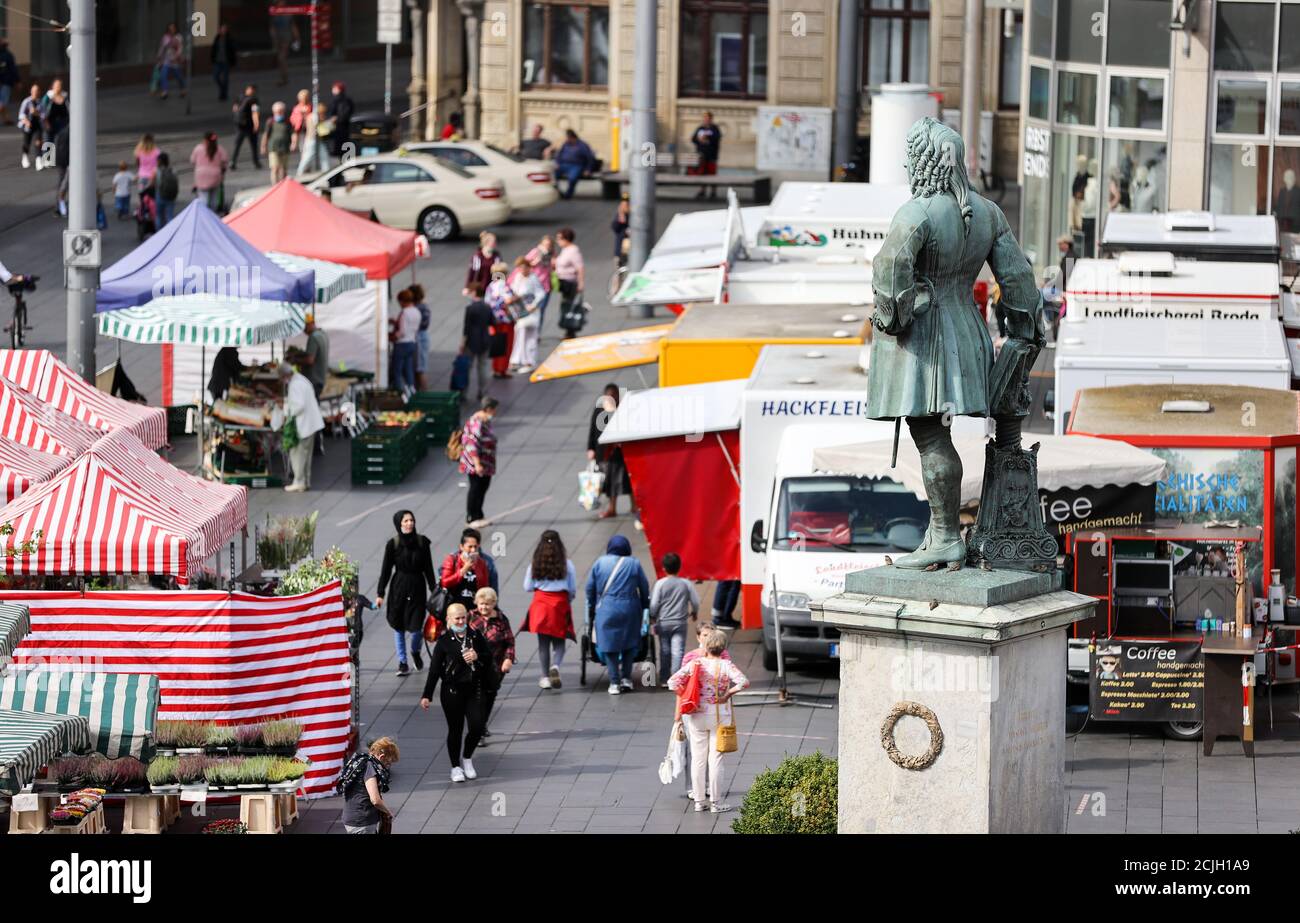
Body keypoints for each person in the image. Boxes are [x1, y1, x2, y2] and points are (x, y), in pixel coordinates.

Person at [667, 627, 749, 812]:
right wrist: (727, 694)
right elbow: (744, 681)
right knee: (716, 759)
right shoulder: (726, 665)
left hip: (697, 714)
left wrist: (685, 694)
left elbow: (672, 682)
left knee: (698, 759)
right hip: (720, 716)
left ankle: (698, 801)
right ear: (723, 647)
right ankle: (716, 802)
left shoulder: (696, 663)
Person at [420, 603, 497, 782]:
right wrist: (427, 695)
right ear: (449, 619)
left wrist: (477, 655)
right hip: (452, 691)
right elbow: (434, 670)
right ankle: (455, 766)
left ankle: (467, 758)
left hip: (474, 689)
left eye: (463, 617)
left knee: (477, 726)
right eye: (457, 618)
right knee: (455, 729)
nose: (461, 621)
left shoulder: (475, 635)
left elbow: (488, 655)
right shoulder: (444, 642)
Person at [376, 510, 440, 677]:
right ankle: (402, 662)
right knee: (398, 626)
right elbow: (386, 570)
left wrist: (434, 589)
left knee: (416, 628)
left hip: (417, 587)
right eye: (405, 521)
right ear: (399, 524)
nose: (409, 523)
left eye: (411, 520)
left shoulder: (422, 542)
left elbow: (428, 568)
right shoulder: (393, 544)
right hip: (399, 587)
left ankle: (415, 651)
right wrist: (380, 593)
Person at [584, 535, 650, 695]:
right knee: (629, 643)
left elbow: (589, 588)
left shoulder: (600, 563)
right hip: (630, 608)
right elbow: (644, 587)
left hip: (607, 608)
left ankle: (614, 682)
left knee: (610, 645)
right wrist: (644, 607)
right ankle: (626, 678)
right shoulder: (634, 563)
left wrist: (592, 606)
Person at [520, 530, 577, 690]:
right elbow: (572, 588)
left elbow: (527, 587)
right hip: (560, 604)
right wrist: (568, 600)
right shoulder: (567, 564)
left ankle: (545, 677)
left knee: (543, 643)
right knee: (560, 641)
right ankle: (556, 666)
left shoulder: (535, 564)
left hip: (540, 605)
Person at [469, 586, 515, 740]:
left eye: (487, 604)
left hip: (495, 666)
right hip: (474, 666)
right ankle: (479, 729)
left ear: (494, 603)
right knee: (478, 697)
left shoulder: (501, 620)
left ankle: (482, 723)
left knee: (489, 696)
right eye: (481, 603)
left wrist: (508, 659)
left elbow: (509, 642)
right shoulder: (470, 617)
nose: (484, 607)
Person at [650, 552, 699, 684]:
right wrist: (695, 612)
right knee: (678, 651)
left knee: (664, 650)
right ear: (679, 567)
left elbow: (654, 603)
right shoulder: (686, 583)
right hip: (680, 622)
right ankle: (676, 678)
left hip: (663, 622)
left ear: (664, 568)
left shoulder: (660, 584)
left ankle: (664, 678)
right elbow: (695, 601)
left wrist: (653, 615)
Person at [587, 383, 633, 519]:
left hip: (621, 453)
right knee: (610, 483)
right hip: (605, 453)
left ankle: (634, 506)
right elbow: (593, 430)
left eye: (614, 396)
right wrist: (590, 448)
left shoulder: (623, 410)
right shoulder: (599, 410)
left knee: (629, 480)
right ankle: (612, 507)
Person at [278, 361, 323, 493]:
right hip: (312, 423)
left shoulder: (295, 385)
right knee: (306, 455)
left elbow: (298, 406)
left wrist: (286, 410)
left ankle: (299, 481)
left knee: (297, 454)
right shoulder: (302, 380)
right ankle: (305, 481)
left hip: (304, 424)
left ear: (285, 375)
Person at [337, 737, 398, 833]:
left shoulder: (361, 761)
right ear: (381, 757)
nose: (387, 767)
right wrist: (388, 812)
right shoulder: (369, 767)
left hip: (352, 816)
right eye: (387, 763)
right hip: (362, 821)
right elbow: (375, 800)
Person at [458, 397, 499, 525]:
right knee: (476, 487)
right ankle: (471, 516)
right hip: (476, 462)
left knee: (483, 486)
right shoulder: (478, 422)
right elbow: (471, 443)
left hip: (486, 462)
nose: (496, 412)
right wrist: (477, 463)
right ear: (489, 409)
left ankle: (479, 514)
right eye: (494, 409)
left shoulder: (486, 421)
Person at [506, 256, 545, 373]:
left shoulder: (533, 278)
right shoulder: (518, 277)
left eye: (524, 268)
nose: (522, 271)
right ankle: (516, 360)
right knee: (519, 335)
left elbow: (540, 293)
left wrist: (533, 305)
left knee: (530, 337)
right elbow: (513, 289)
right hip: (520, 311)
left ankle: (529, 361)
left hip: (531, 311)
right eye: (520, 268)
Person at [440, 527, 492, 614]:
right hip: (455, 607)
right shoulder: (452, 560)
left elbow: (485, 587)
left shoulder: (481, 563)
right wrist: (463, 570)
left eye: (475, 547)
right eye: (470, 547)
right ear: (461, 546)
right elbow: (445, 582)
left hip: (473, 609)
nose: (473, 550)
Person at [460, 283, 494, 403]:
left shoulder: (470, 308)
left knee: (467, 367)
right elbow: (492, 322)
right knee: (483, 366)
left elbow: (466, 327)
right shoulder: (487, 307)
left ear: (474, 292)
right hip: (485, 340)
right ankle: (482, 392)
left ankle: (463, 392)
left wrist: (462, 343)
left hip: (471, 341)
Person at [485, 261, 516, 380]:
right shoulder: (504, 285)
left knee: (497, 344)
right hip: (505, 320)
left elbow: (488, 302)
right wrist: (516, 297)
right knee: (506, 345)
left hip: (494, 319)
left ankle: (496, 368)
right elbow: (508, 300)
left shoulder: (490, 286)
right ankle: (502, 369)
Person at [554, 227, 585, 339]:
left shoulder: (573, 251)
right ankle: (568, 330)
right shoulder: (565, 249)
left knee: (570, 306)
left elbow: (580, 267)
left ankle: (570, 331)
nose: (557, 241)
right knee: (566, 305)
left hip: (571, 283)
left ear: (566, 239)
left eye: (559, 238)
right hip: (564, 282)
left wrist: (581, 283)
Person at [390, 288, 420, 392]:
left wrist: (392, 337)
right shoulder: (416, 311)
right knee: (408, 370)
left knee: (397, 371)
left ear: (402, 301)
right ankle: (411, 390)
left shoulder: (404, 313)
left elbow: (402, 332)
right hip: (412, 342)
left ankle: (399, 392)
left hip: (402, 344)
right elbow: (412, 327)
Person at [190, 131, 228, 211]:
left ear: (204, 140)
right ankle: (212, 214)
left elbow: (192, 161)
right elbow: (224, 161)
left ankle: (204, 215)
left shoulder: (198, 148)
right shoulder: (219, 149)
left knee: (203, 197)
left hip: (201, 177)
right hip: (215, 176)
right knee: (214, 199)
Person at [553, 129, 596, 200]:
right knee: (552, 176)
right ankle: (558, 192)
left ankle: (568, 195)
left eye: (567, 137)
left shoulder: (582, 145)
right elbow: (559, 155)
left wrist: (588, 169)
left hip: (576, 165)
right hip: (564, 164)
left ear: (572, 137)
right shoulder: (566, 144)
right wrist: (557, 163)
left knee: (572, 178)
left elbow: (590, 158)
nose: (566, 139)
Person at [525, 234, 555, 329]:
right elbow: (524, 263)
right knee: (533, 308)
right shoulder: (536, 252)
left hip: (546, 285)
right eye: (545, 244)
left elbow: (553, 267)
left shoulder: (551, 254)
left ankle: (537, 332)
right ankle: (531, 329)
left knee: (541, 309)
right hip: (535, 285)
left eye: (549, 245)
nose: (547, 247)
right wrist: (534, 262)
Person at [690, 111, 722, 199]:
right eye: (704, 118)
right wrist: (699, 140)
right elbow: (693, 139)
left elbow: (717, 138)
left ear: (711, 119)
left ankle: (713, 192)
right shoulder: (700, 128)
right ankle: (702, 190)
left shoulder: (714, 128)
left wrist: (708, 138)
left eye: (708, 118)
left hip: (711, 155)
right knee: (702, 173)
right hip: (702, 155)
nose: (706, 120)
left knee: (712, 173)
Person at [261, 100, 293, 184]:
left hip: (285, 147)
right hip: (273, 147)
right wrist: (263, 146)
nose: (279, 113)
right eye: (278, 111)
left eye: (281, 111)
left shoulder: (287, 121)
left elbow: (292, 133)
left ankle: (283, 185)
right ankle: (275, 185)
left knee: (284, 169)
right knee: (275, 168)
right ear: (274, 112)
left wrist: (293, 143)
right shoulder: (270, 121)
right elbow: (266, 135)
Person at [231, 84, 261, 171]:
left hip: (240, 125)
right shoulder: (254, 100)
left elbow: (234, 109)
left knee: (237, 144)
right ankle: (256, 162)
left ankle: (233, 161)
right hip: (249, 125)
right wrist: (256, 124)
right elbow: (255, 113)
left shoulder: (240, 97)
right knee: (254, 145)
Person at [299, 313, 330, 397]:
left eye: (304, 327)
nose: (303, 330)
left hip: (313, 380)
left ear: (309, 324)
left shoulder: (313, 337)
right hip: (321, 379)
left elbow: (310, 360)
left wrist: (297, 360)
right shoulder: (323, 334)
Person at [463, 231, 501, 297]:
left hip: (492, 287)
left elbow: (500, 271)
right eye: (493, 242)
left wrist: (501, 284)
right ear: (487, 243)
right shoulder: (477, 256)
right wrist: (467, 286)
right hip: (480, 287)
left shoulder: (496, 256)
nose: (495, 244)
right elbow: (472, 271)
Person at [298, 101, 331, 177]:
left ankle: (327, 173)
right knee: (308, 157)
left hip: (318, 139)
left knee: (324, 156)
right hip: (312, 140)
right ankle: (299, 173)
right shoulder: (313, 116)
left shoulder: (316, 116)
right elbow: (315, 127)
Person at [155, 24, 186, 100]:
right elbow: (162, 47)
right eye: (170, 29)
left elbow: (180, 48)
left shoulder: (179, 37)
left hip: (175, 61)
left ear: (175, 29)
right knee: (163, 75)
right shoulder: (165, 37)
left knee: (178, 76)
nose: (172, 30)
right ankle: (165, 91)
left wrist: (177, 57)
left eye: (173, 28)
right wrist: (159, 56)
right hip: (167, 60)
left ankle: (183, 89)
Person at [410, 284, 432, 390]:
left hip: (420, 338)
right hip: (421, 337)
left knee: (420, 368)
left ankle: (424, 392)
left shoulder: (420, 308)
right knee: (418, 368)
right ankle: (420, 391)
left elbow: (423, 324)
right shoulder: (423, 306)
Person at [269, 8, 298, 86]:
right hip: (279, 38)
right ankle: (283, 77)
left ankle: (284, 78)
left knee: (281, 58)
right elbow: (272, 28)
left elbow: (293, 26)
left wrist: (296, 37)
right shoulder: (274, 13)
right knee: (280, 59)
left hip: (286, 37)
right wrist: (274, 39)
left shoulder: (287, 13)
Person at [326, 81, 354, 160]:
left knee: (341, 147)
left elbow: (342, 113)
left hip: (340, 127)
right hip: (343, 127)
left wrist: (336, 118)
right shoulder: (346, 100)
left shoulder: (340, 100)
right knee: (343, 147)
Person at [210, 23, 237, 102]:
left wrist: (233, 61)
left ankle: (224, 94)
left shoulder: (229, 39)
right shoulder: (217, 38)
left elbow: (232, 51)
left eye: (224, 29)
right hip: (218, 61)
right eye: (222, 29)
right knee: (216, 77)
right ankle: (222, 90)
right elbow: (214, 49)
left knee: (225, 79)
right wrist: (212, 59)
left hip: (226, 61)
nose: (223, 30)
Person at [18, 84, 42, 171]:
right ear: (31, 92)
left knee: (38, 142)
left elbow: (44, 114)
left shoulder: (40, 102)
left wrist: (37, 113)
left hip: (37, 125)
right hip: (27, 125)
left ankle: (38, 159)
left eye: (37, 91)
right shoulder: (26, 102)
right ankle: (25, 157)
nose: (35, 93)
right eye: (34, 91)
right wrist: (26, 121)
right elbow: (21, 114)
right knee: (26, 143)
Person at [154, 152, 179, 228]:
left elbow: (156, 184)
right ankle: (170, 233)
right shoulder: (173, 170)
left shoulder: (157, 171)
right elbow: (176, 182)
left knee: (159, 216)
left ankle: (159, 234)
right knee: (170, 216)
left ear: (159, 161)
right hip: (171, 195)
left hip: (160, 195)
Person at [133, 134, 161, 198]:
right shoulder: (157, 151)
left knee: (142, 196)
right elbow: (159, 164)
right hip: (153, 177)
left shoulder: (139, 151)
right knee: (152, 197)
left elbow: (138, 164)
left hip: (142, 176)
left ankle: (143, 207)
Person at [0, 37, 17, 126]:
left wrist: (17, 80)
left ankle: (6, 118)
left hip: (6, 82)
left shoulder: (8, 55)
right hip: (5, 82)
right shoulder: (8, 55)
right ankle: (6, 118)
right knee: (3, 103)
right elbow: (13, 69)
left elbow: (13, 69)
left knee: (3, 102)